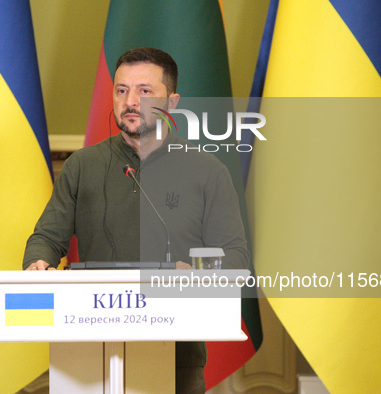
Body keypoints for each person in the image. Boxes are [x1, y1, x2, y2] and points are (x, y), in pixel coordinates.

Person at [23, 47, 249, 393]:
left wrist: (199, 273)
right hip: (88, 349)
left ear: (172, 103)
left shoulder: (207, 172)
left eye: (145, 91)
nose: (131, 101)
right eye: (121, 90)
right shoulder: (82, 166)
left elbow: (235, 256)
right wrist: (37, 263)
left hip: (177, 353)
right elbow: (47, 238)